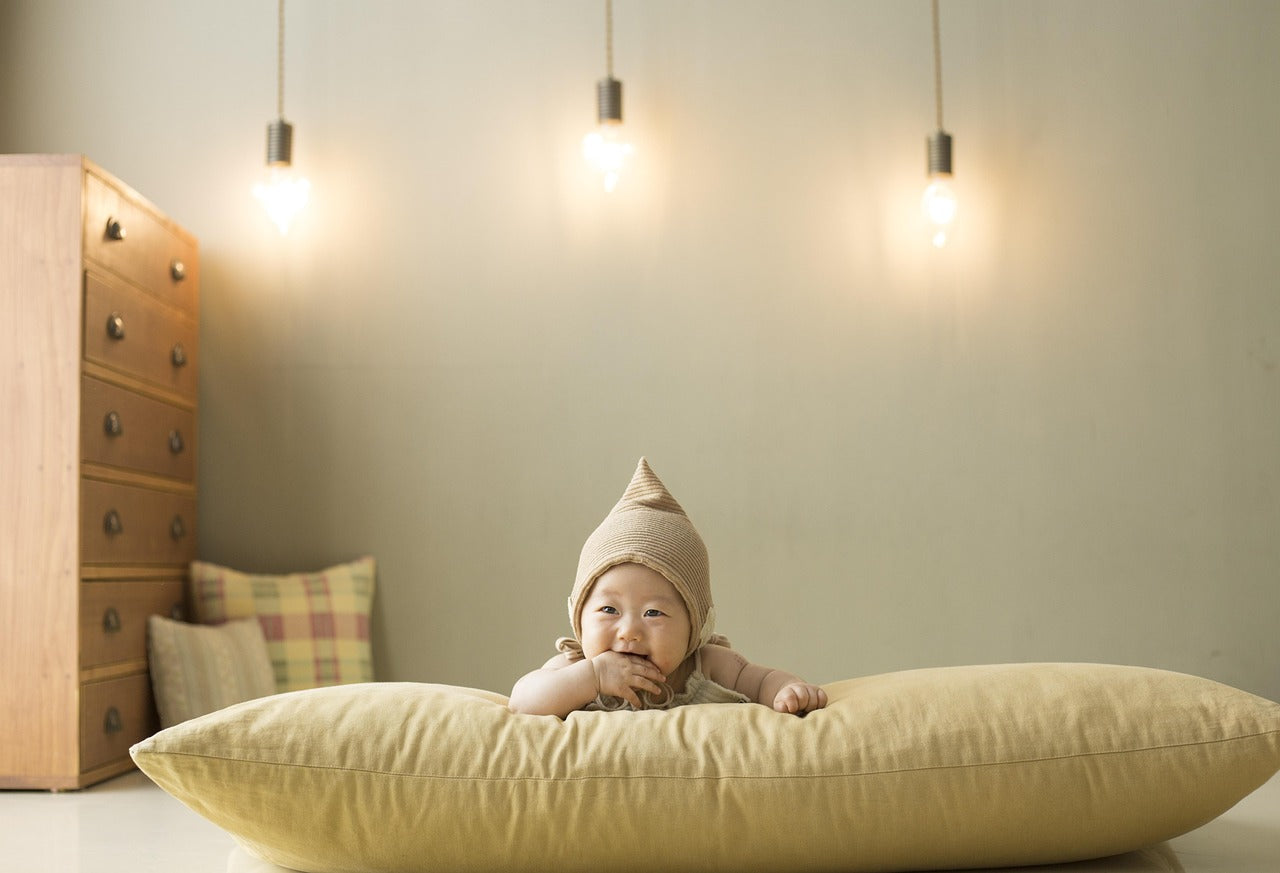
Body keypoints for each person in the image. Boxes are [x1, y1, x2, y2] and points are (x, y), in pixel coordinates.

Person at [509, 457, 828, 718]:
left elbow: (762, 681)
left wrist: (789, 690)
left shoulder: (706, 665)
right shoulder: (574, 668)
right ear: (578, 617)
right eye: (609, 609)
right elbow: (522, 701)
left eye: (653, 613)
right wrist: (592, 677)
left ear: (695, 627)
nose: (629, 631)